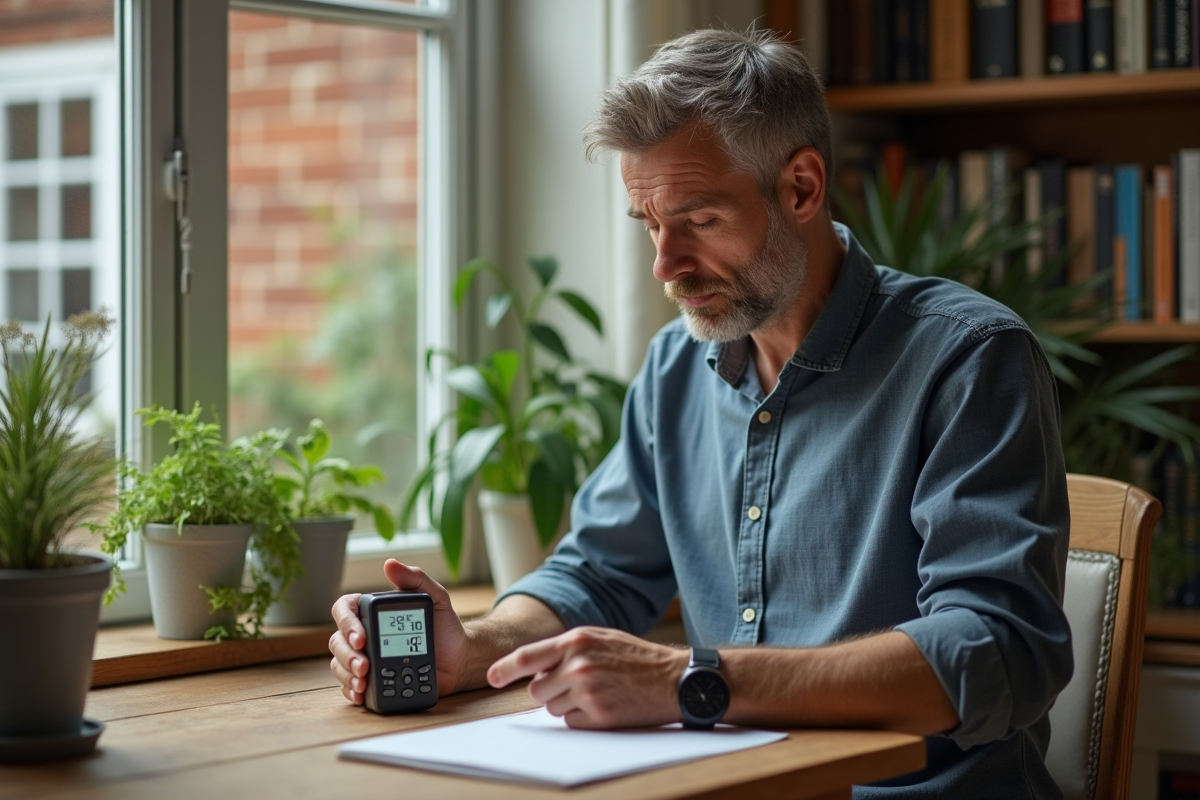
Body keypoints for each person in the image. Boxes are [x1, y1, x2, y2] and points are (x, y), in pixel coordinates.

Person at [330, 28, 1073, 797]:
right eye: (649, 224)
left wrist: (695, 680)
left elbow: (998, 651)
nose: (665, 265)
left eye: (700, 221)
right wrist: (475, 647)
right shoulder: (674, 370)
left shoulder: (969, 359)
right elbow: (600, 571)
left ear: (802, 188)